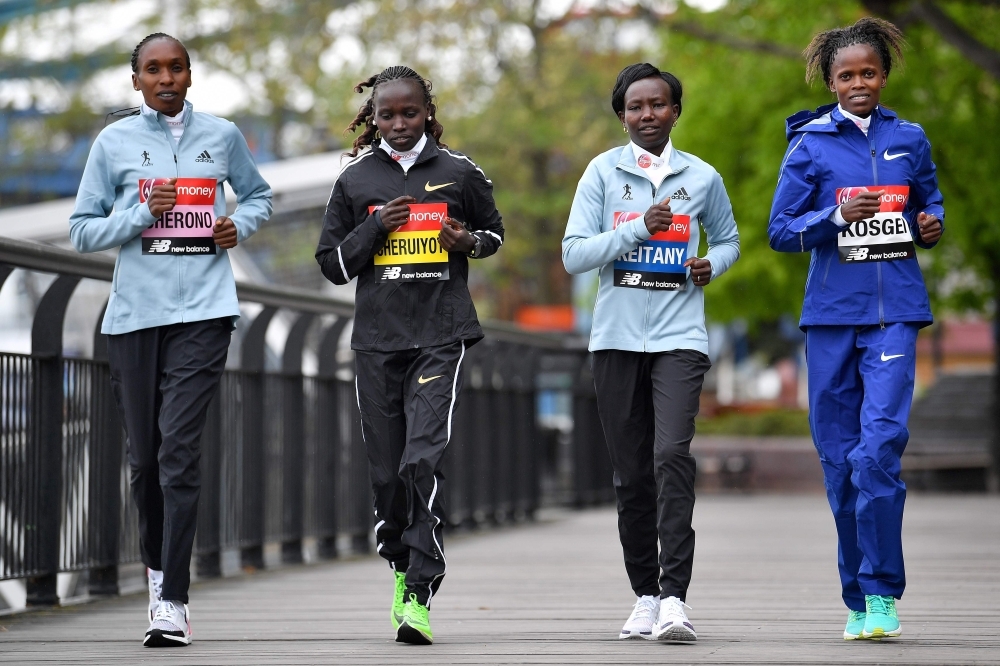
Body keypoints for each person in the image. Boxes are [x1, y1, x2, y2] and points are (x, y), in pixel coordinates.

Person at [69, 33, 272, 647]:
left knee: (179, 453)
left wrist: (240, 223)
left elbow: (259, 195)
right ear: (136, 82)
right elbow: (81, 231)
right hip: (135, 317)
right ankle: (158, 575)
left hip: (206, 314)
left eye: (175, 67)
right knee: (146, 461)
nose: (165, 78)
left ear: (190, 74)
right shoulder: (114, 144)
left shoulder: (223, 135)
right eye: (152, 70)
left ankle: (173, 603)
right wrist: (139, 215)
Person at [315, 65, 504, 645]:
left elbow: (493, 236)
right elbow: (332, 265)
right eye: (387, 115)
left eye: (410, 113)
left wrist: (464, 241)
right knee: (386, 473)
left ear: (429, 113)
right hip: (376, 341)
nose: (398, 124)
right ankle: (399, 563)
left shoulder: (459, 172)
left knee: (422, 457)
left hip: (439, 336)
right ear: (372, 118)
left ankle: (419, 590)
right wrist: (375, 230)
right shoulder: (354, 179)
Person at [768, 17, 943, 641]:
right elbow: (781, 231)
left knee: (879, 449)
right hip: (830, 319)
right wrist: (835, 212)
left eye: (869, 72)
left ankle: (883, 593)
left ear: (884, 75)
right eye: (847, 75)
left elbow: (930, 201)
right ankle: (857, 597)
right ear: (831, 81)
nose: (859, 82)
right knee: (841, 463)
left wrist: (930, 223)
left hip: (895, 312)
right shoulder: (809, 145)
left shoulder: (910, 138)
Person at [562, 63, 740, 643]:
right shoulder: (601, 174)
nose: (647, 115)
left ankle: (675, 599)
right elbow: (574, 255)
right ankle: (643, 595)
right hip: (614, 340)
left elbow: (730, 239)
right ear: (621, 116)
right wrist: (637, 229)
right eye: (635, 107)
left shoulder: (703, 177)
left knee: (671, 457)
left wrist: (713, 262)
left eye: (658, 105)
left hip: (680, 338)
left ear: (675, 111)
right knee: (631, 473)